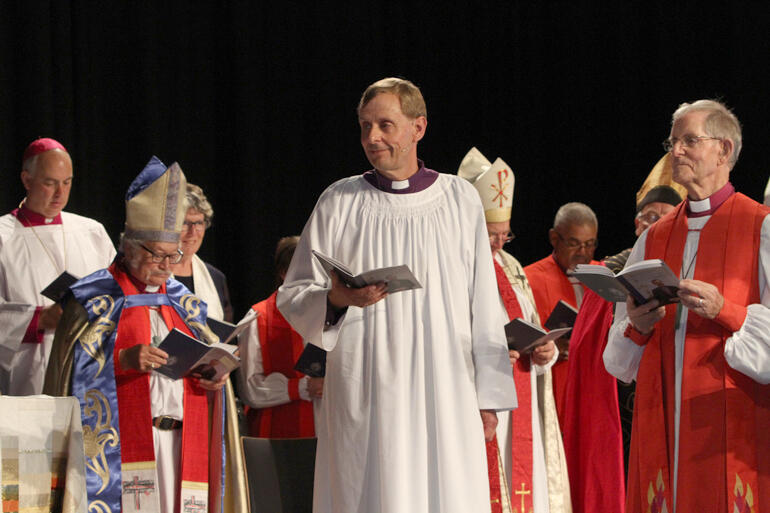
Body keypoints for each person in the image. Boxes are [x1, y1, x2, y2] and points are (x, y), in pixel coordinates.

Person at [276, 77, 515, 513]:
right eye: (365, 126)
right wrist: (338, 300)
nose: (372, 138)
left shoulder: (459, 200)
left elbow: (483, 301)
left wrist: (490, 397)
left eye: (385, 125)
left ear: (418, 127)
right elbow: (293, 293)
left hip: (446, 386)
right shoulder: (339, 201)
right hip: (367, 385)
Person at [44, 156, 247, 513]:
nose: (169, 267)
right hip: (122, 453)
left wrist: (216, 378)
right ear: (131, 245)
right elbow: (64, 378)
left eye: (174, 256)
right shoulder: (92, 298)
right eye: (159, 256)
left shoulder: (185, 303)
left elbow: (209, 371)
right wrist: (121, 359)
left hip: (183, 448)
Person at [604, 99, 770, 512]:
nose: (675, 151)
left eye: (689, 141)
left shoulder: (761, 227)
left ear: (725, 150)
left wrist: (724, 310)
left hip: (730, 420)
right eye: (672, 141)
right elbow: (618, 360)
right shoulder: (653, 236)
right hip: (659, 415)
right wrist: (637, 326)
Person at [562, 153, 685, 513]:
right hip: (617, 395)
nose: (653, 224)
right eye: (648, 216)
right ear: (636, 223)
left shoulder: (687, 267)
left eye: (663, 217)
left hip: (670, 391)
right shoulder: (613, 267)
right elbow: (589, 341)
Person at [458, 147, 572, 513]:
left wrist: (545, 353)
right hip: (479, 399)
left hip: (522, 395)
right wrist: (487, 357)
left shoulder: (511, 265)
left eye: (505, 236)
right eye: (492, 235)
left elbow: (531, 323)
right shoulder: (456, 265)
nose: (498, 244)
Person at [0, 137, 115, 395]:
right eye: (50, 183)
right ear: (27, 180)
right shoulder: (3, 236)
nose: (60, 193)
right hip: (28, 376)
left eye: (67, 182)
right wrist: (39, 319)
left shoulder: (91, 231)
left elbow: (118, 294)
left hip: (90, 369)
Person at [524, 202, 599, 426]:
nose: (583, 253)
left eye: (590, 244)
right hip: (553, 386)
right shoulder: (529, 279)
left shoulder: (602, 276)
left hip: (593, 388)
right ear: (554, 238)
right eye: (574, 244)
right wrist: (551, 347)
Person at [238, 235, 321, 438]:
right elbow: (250, 389)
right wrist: (303, 387)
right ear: (284, 273)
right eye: (304, 273)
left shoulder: (332, 313)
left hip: (330, 433)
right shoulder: (259, 317)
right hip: (277, 433)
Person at [170, 183, 233, 322]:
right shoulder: (153, 275)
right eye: (185, 223)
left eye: (198, 223)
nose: (193, 233)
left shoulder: (216, 278)